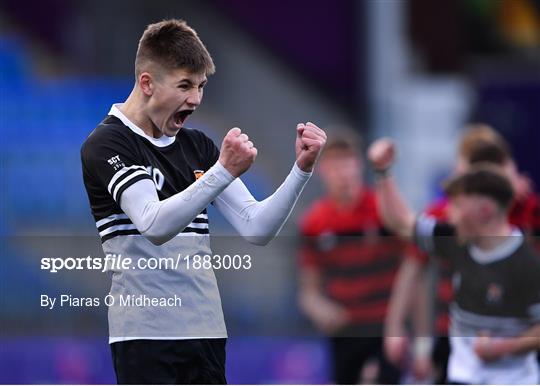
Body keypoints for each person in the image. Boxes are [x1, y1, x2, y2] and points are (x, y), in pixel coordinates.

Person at [80, 19, 326, 384]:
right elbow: (153, 224)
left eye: (200, 86)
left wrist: (300, 170)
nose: (195, 99)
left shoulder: (198, 145)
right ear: (147, 83)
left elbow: (256, 227)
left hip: (206, 332)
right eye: (184, 85)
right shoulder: (107, 144)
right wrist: (223, 171)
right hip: (145, 335)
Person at [368, 138, 540, 384]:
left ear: (485, 210)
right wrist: (383, 171)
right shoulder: (457, 241)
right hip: (461, 378)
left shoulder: (527, 265)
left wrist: (501, 349)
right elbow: (399, 222)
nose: (448, 212)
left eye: (457, 205)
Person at [297, 134, 403, 384]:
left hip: (384, 328)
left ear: (359, 165)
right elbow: (308, 291)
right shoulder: (315, 221)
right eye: (335, 164)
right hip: (344, 332)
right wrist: (320, 309)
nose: (342, 172)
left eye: (347, 163)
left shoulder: (382, 209)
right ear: (323, 170)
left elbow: (413, 267)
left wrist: (406, 328)